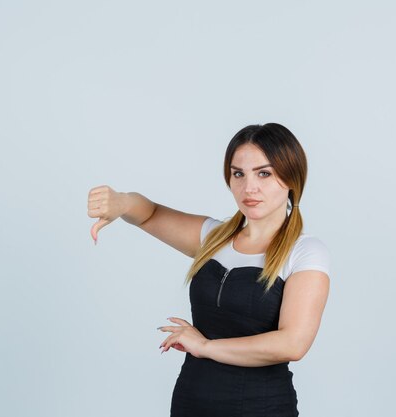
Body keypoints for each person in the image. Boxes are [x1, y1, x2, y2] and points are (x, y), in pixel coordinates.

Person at [87, 123, 331, 417]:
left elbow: (293, 343)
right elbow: (149, 213)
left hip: (261, 408)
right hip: (191, 402)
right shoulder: (213, 236)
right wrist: (121, 202)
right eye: (238, 173)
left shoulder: (304, 252)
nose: (248, 187)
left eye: (263, 173)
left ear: (291, 177)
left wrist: (204, 346)